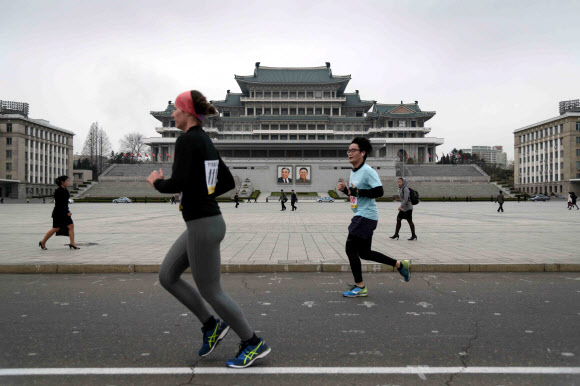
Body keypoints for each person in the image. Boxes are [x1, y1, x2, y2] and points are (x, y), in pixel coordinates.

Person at [147, 90, 270, 369]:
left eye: (176, 109)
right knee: (168, 276)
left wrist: (156, 182)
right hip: (202, 223)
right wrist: (202, 190)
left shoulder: (189, 140)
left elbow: (176, 183)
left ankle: (252, 343)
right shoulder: (204, 140)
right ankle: (211, 325)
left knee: (212, 291)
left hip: (204, 224)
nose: (173, 114)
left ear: (188, 112)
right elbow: (225, 181)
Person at [338, 137, 411, 298]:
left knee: (350, 248)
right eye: (348, 150)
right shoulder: (354, 171)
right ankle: (400, 265)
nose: (349, 153)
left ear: (362, 153)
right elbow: (356, 194)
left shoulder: (368, 171)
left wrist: (358, 192)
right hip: (361, 215)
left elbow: (379, 191)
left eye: (353, 150)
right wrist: (345, 190)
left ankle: (360, 286)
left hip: (366, 216)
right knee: (364, 253)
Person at [39, 175, 79, 250]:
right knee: (56, 228)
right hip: (58, 213)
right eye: (67, 181)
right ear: (62, 182)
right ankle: (43, 242)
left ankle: (72, 243)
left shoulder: (65, 190)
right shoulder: (58, 191)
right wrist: (67, 212)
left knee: (71, 226)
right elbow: (59, 204)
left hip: (64, 212)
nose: (68, 182)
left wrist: (68, 211)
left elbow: (65, 203)